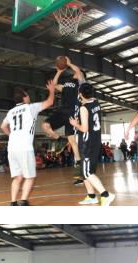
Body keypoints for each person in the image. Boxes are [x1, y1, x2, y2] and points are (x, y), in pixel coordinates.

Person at [1, 82, 55, 205]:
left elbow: (3, 126)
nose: (29, 97)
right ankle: (24, 201)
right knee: (29, 177)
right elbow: (50, 102)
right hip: (24, 147)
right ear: (24, 97)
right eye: (27, 95)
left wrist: (11, 135)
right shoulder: (31, 107)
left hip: (12, 148)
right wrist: (52, 91)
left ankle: (13, 203)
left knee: (17, 177)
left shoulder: (10, 112)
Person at [42, 56, 86, 186]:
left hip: (72, 114)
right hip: (62, 111)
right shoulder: (67, 84)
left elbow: (78, 71)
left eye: (77, 73)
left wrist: (69, 63)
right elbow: (54, 85)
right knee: (45, 125)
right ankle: (59, 139)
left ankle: (80, 175)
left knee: (73, 143)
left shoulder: (81, 84)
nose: (75, 73)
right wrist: (59, 71)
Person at [69, 83, 115, 206]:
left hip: (87, 143)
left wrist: (75, 124)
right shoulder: (96, 103)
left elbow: (84, 129)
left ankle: (105, 195)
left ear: (80, 94)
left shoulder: (84, 108)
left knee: (87, 172)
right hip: (95, 141)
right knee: (85, 171)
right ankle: (91, 196)